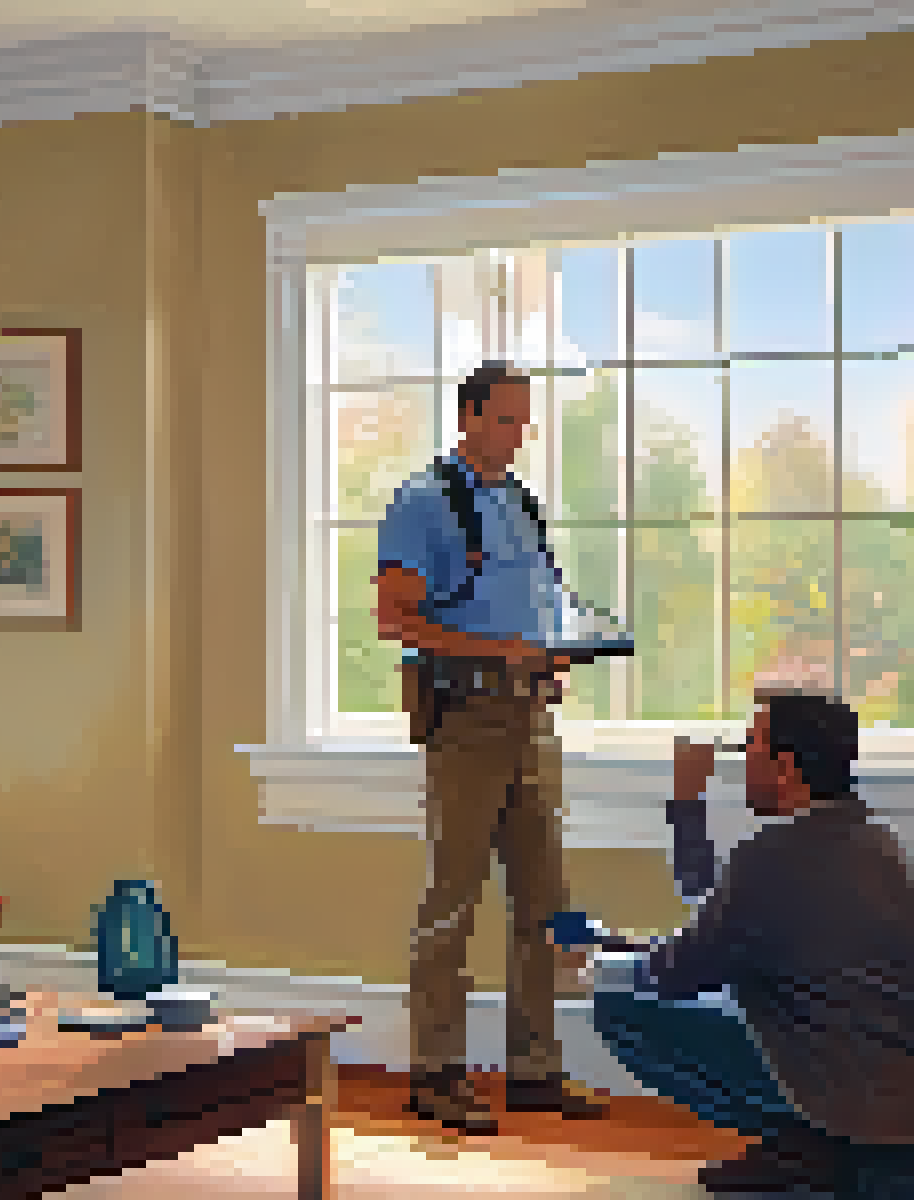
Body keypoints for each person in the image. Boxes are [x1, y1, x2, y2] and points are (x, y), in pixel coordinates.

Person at [375, 362, 612, 1133]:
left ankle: (535, 1069)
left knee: (546, 901)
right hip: (466, 717)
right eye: (505, 418)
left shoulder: (519, 504)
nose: (517, 433)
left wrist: (549, 656)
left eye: (523, 419)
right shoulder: (423, 502)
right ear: (469, 416)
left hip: (529, 715)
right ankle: (436, 1073)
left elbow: (529, 607)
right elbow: (395, 619)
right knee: (453, 901)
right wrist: (496, 652)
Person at [568, 688, 914, 1193]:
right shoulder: (877, 843)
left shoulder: (774, 853)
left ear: (785, 767)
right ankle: (830, 1148)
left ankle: (808, 1141)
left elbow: (676, 976)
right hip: (891, 1084)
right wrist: (687, 808)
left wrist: (600, 963)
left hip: (840, 1086)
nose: (743, 759)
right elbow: (721, 916)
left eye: (751, 745)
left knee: (614, 996)